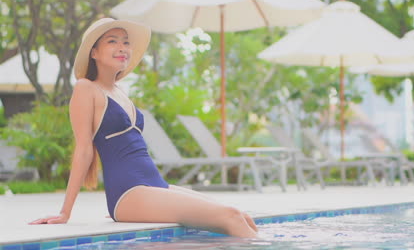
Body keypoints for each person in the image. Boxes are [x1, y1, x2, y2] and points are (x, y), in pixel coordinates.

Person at [29, 18, 258, 238]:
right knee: (230, 217)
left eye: (126, 42)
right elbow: (83, 150)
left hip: (155, 186)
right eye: (112, 41)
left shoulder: (119, 91)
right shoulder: (85, 88)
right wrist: (65, 212)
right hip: (128, 192)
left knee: (241, 216)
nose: (122, 47)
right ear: (94, 52)